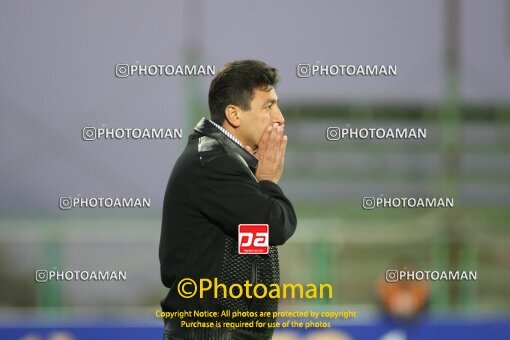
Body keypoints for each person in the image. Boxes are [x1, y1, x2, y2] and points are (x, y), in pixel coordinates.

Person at [159, 60, 297, 339]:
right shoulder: (213, 161)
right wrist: (269, 180)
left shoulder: (225, 160)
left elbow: (251, 243)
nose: (279, 117)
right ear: (234, 114)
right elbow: (275, 226)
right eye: (268, 106)